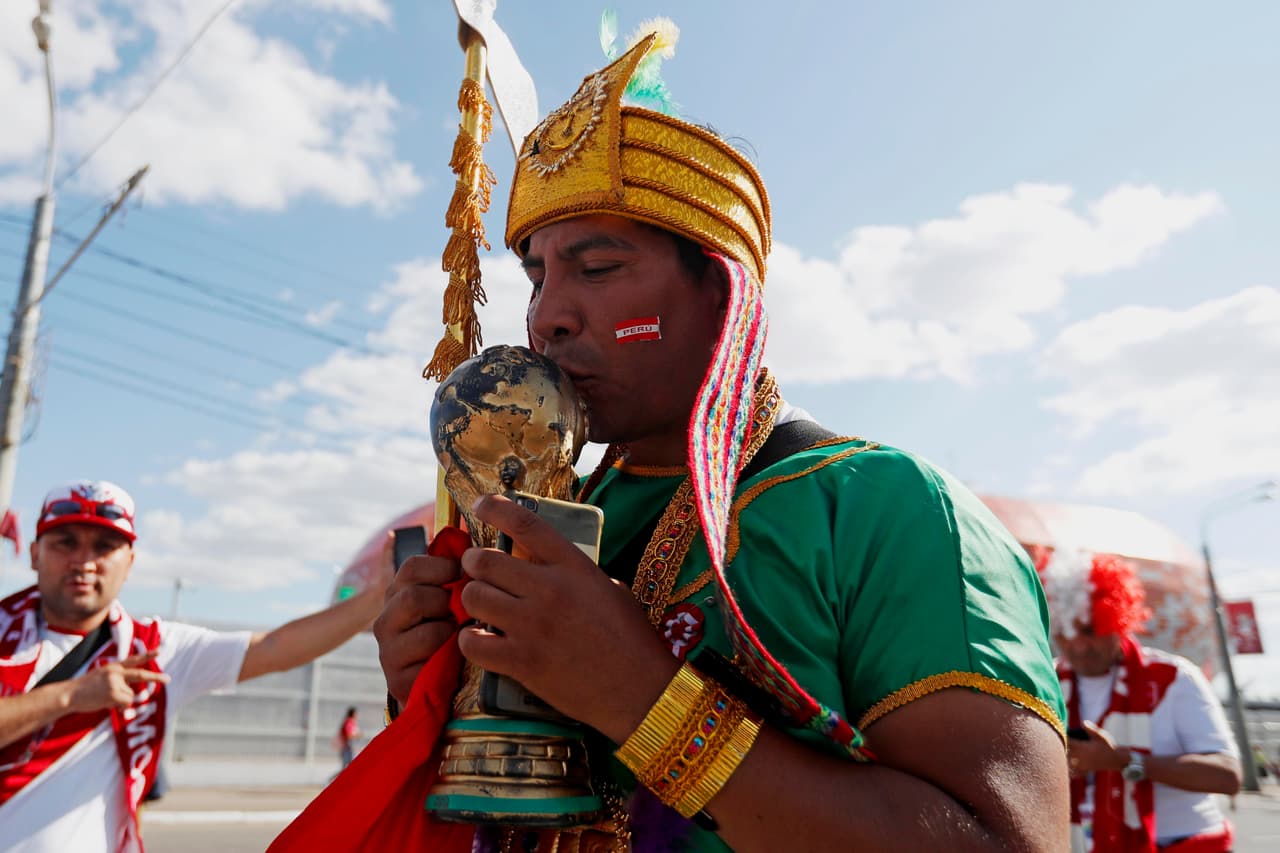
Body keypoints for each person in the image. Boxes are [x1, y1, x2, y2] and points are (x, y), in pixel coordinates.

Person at [281, 27, 1068, 853]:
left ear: (721, 292)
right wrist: (439, 699)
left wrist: (649, 702)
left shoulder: (889, 511)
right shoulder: (552, 521)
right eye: (537, 273)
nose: (546, 314)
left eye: (598, 267)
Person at [0, 479, 392, 852]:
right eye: (65, 543)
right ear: (35, 553)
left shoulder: (155, 647)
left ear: (130, 561)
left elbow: (276, 647)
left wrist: (377, 596)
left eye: (105, 546)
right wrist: (72, 695)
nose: (84, 562)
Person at [1042, 550, 1242, 852]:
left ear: (1116, 620)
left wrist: (1124, 762)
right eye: (1065, 632)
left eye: (1090, 630)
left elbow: (1227, 777)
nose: (1078, 646)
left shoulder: (1173, 678)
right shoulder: (1047, 681)